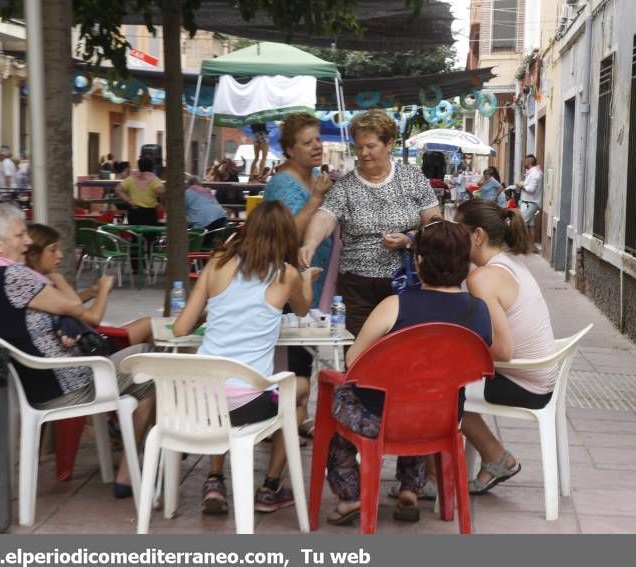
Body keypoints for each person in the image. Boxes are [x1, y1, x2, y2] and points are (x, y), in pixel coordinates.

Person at [0, 202, 155, 498]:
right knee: (153, 365)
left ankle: (132, 456)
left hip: (35, 384)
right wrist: (63, 282)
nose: (27, 241)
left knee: (140, 364)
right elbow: (74, 307)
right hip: (65, 384)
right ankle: (131, 471)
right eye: (20, 235)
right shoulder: (13, 277)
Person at [324, 219, 493, 525]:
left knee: (342, 399)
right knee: (422, 396)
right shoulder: (478, 311)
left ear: (419, 261)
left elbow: (353, 359)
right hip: (444, 419)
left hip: (382, 419)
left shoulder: (395, 305)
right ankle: (409, 491)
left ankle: (352, 498)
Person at [172, 201, 322, 515]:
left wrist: (211, 315)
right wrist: (307, 282)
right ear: (285, 237)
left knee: (221, 386)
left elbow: (181, 327)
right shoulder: (287, 274)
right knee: (298, 393)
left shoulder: (216, 264)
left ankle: (214, 480)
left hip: (197, 404)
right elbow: (303, 309)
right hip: (249, 405)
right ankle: (270, 487)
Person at [300, 110, 441, 337]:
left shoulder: (413, 179)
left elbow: (436, 226)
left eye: (371, 146)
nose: (363, 153)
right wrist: (310, 243)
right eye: (359, 146)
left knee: (401, 349)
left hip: (406, 282)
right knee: (359, 351)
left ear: (389, 144)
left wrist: (409, 239)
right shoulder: (345, 186)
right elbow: (325, 217)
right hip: (357, 288)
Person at [455, 199, 556, 495]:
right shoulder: (511, 263)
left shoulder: (482, 277)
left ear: (477, 236)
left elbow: (502, 351)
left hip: (524, 382)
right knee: (451, 379)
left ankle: (491, 460)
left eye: (458, 231)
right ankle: (492, 459)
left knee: (442, 388)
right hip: (540, 378)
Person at [264, 112, 334, 436]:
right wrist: (319, 198)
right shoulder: (282, 182)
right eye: (308, 142)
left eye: (318, 139)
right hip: (289, 278)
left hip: (313, 278)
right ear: (290, 150)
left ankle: (298, 419)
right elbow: (286, 232)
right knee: (291, 352)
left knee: (303, 349)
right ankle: (282, 422)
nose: (317, 146)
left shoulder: (314, 176)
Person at [25, 223, 152, 345]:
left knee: (148, 325)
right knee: (150, 324)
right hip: (91, 347)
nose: (60, 255)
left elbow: (65, 306)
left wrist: (90, 292)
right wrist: (103, 289)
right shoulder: (40, 285)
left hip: (85, 340)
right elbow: (93, 318)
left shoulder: (34, 281)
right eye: (53, 250)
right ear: (33, 255)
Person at [115, 156, 165, 226]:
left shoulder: (132, 178)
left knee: (135, 234)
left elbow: (118, 189)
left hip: (134, 211)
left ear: (139, 166)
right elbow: (160, 191)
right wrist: (160, 203)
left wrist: (129, 201)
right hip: (149, 212)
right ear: (152, 167)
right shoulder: (154, 179)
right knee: (149, 235)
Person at [515, 154, 543, 247]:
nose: (524, 162)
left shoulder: (534, 173)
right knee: (531, 225)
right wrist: (522, 184)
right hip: (530, 202)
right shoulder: (532, 172)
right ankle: (531, 245)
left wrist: (521, 185)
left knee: (521, 223)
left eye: (525, 161)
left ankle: (520, 245)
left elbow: (531, 189)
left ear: (529, 162)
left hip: (530, 203)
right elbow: (529, 185)